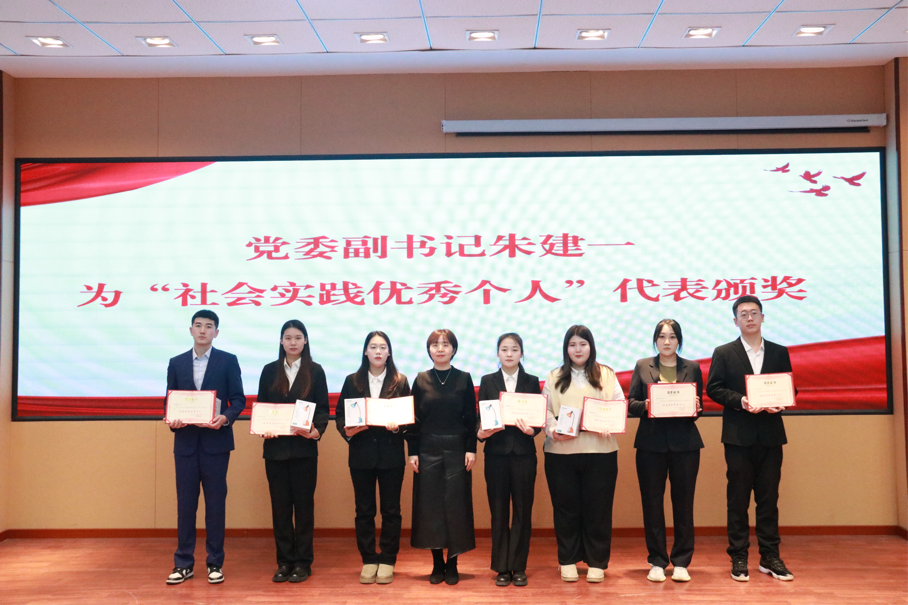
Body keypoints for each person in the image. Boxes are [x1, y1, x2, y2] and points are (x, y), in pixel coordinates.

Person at [706, 295, 795, 583]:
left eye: (754, 313)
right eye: (743, 314)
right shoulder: (724, 352)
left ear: (762, 317)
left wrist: (782, 401)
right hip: (738, 436)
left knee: (769, 499)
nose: (749, 318)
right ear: (736, 321)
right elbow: (714, 388)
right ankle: (739, 556)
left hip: (770, 435)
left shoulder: (779, 352)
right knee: (738, 499)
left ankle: (770, 556)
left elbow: (790, 387)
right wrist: (742, 401)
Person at [165, 310, 246, 585]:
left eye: (208, 326)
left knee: (215, 505)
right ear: (190, 330)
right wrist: (172, 420)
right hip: (185, 444)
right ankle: (183, 563)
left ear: (216, 332)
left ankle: (215, 562)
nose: (203, 330)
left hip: (216, 444)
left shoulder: (228, 361)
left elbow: (238, 399)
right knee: (186, 505)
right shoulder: (176, 363)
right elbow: (170, 400)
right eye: (198, 325)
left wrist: (226, 418)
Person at [543, 325, 622, 584]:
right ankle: (567, 560)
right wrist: (553, 431)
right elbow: (546, 411)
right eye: (572, 344)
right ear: (566, 348)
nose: (578, 349)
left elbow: (618, 406)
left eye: (583, 344)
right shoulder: (554, 376)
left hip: (601, 452)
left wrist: (611, 423)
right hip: (561, 453)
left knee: (599, 509)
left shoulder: (607, 375)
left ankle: (597, 562)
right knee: (565, 509)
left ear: (591, 347)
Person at [627, 319, 704, 583]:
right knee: (652, 504)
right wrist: (647, 405)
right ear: (655, 340)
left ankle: (681, 561)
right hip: (650, 445)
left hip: (685, 446)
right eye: (661, 336)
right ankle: (657, 561)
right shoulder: (642, 366)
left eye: (672, 336)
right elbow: (631, 403)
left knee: (684, 504)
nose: (667, 341)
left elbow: (698, 409)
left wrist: (696, 407)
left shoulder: (692, 367)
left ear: (679, 340)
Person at [336, 331, 411, 585]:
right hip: (361, 456)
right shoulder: (352, 381)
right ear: (365, 351)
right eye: (373, 347)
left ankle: (388, 559)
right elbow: (341, 416)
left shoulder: (400, 381)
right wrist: (348, 430)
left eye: (383, 347)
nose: (378, 351)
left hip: (391, 456)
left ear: (389, 352)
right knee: (364, 510)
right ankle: (368, 558)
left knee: (391, 510)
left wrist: (398, 426)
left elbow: (409, 418)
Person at [257, 320, 329, 584]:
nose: (293, 342)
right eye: (287, 338)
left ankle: (303, 562)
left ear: (305, 340)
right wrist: (264, 427)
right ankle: (284, 561)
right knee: (280, 509)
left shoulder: (315, 371)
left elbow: (322, 409)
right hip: (275, 451)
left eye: (298, 337)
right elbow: (262, 407)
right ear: (281, 341)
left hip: (304, 450)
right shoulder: (269, 370)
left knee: (304, 508)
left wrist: (316, 431)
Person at [407, 329, 477, 585]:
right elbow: (413, 419)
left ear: (453, 350)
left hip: (458, 449)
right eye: (435, 344)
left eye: (445, 344)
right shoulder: (421, 379)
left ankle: (453, 563)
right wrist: (412, 451)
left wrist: (471, 448)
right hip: (427, 449)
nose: (440, 348)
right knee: (431, 508)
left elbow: (471, 417)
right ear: (429, 350)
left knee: (456, 507)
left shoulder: (464, 379)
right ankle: (437, 563)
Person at [477, 333, 542, 587]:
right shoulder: (487, 381)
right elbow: (481, 416)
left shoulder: (531, 381)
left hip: (524, 454)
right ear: (497, 353)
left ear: (521, 353)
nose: (509, 354)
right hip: (496, 454)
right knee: (499, 511)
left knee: (523, 512)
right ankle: (501, 567)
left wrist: (533, 430)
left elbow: (538, 419)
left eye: (514, 349)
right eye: (504, 349)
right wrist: (481, 432)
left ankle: (519, 566)